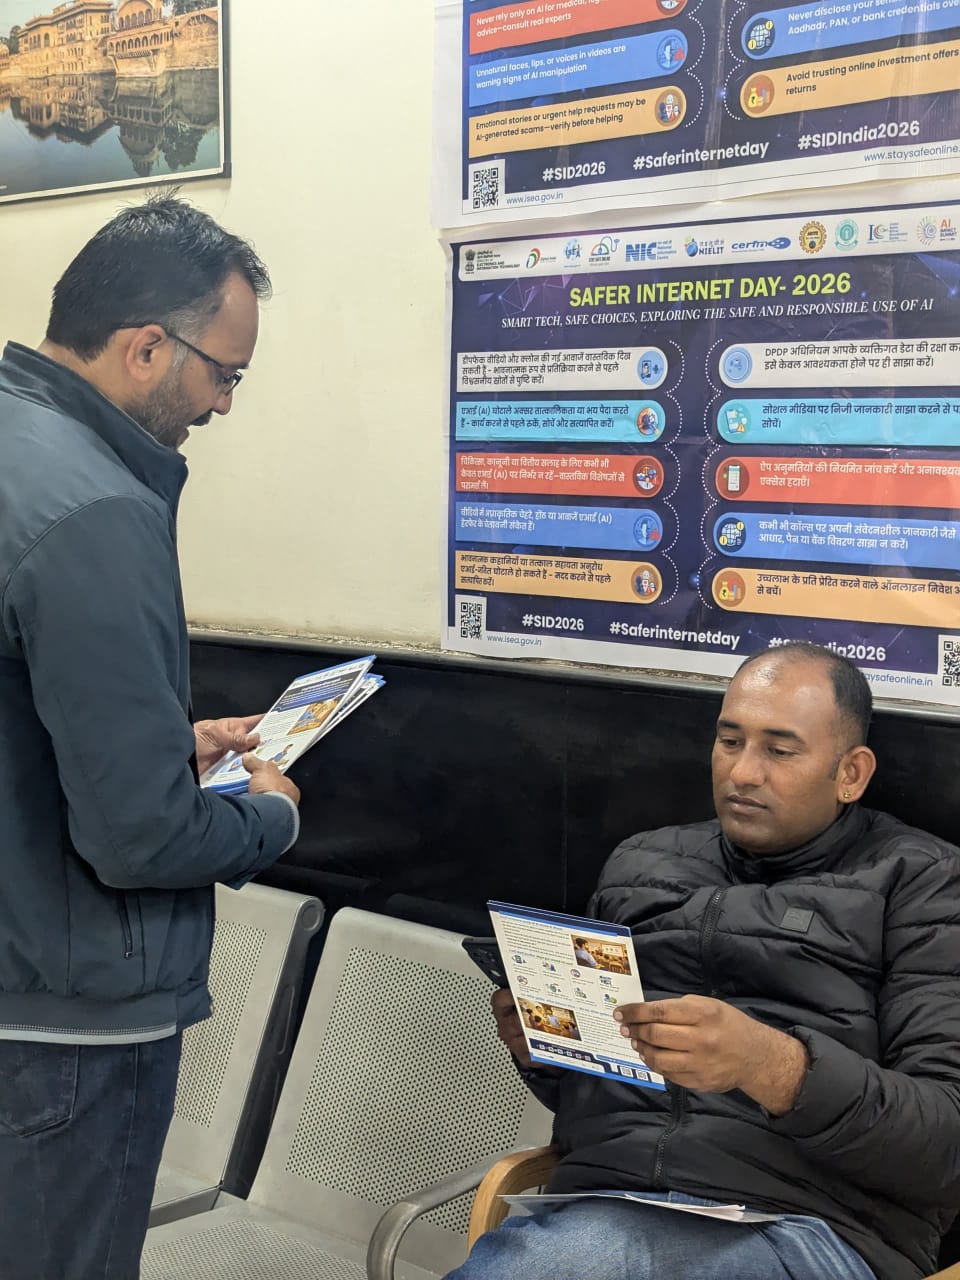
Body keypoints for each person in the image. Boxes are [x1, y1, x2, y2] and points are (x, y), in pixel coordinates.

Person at [0, 196, 304, 1279]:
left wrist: (163, 745)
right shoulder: (95, 506)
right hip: (66, 1028)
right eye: (224, 373)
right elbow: (139, 840)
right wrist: (268, 816)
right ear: (143, 348)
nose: (223, 403)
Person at [451, 643, 960, 1280]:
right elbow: (603, 1099)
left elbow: (947, 1145)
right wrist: (551, 1049)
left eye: (779, 751)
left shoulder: (923, 883)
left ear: (850, 774)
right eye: (729, 741)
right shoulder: (640, 864)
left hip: (807, 1227)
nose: (743, 773)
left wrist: (771, 1066)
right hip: (605, 1204)